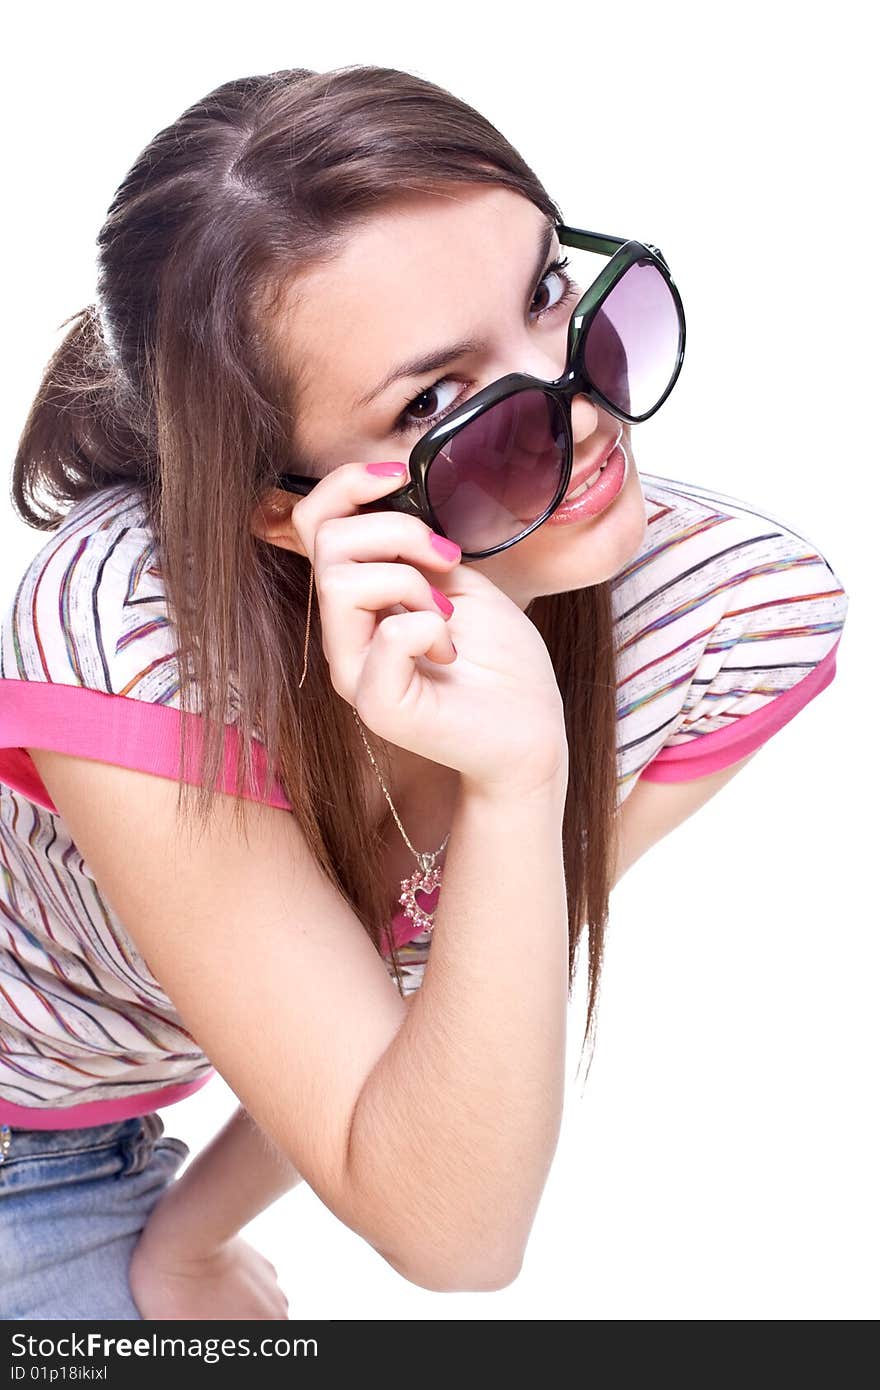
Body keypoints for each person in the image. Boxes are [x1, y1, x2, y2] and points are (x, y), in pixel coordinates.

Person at [0, 64, 849, 1320]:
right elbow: (449, 1235)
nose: (578, 400)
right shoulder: (130, 630)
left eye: (548, 291)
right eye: (437, 398)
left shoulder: (729, 618)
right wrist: (515, 785)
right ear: (279, 508)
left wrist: (190, 1238)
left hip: (99, 1146)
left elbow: (434, 1038)